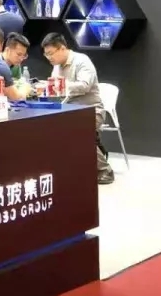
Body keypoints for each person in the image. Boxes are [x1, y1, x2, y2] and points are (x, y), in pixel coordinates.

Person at [41, 32, 114, 185]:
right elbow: (57, 91)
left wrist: (62, 86)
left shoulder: (81, 61)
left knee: (75, 131)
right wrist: (44, 88)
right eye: (46, 54)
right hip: (69, 111)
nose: (48, 58)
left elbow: (85, 86)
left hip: (91, 111)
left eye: (50, 53)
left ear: (62, 48)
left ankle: (105, 171)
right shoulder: (56, 67)